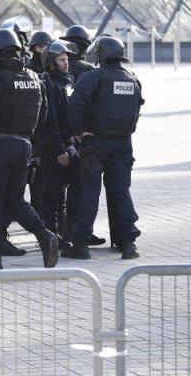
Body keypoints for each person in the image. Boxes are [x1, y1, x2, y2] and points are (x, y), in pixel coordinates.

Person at [0, 28, 59, 271]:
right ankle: (44, 235)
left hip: (1, 145)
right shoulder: (32, 77)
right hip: (25, 145)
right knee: (15, 199)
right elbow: (43, 115)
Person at [63, 36, 142, 260]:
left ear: (101, 54)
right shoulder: (132, 79)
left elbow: (74, 105)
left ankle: (80, 244)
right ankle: (128, 244)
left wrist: (78, 132)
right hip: (124, 143)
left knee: (89, 193)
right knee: (121, 192)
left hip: (96, 142)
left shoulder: (92, 77)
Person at [37, 40, 79, 250]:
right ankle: (49, 236)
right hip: (55, 149)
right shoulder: (49, 85)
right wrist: (60, 149)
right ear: (51, 62)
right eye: (61, 60)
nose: (66, 63)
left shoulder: (66, 82)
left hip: (68, 146)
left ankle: (62, 235)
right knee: (51, 196)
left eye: (67, 59)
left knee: (63, 196)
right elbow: (50, 121)